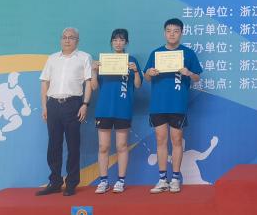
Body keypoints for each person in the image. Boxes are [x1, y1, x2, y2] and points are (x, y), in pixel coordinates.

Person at [144, 19, 203, 193]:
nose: (172, 34)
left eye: (176, 31)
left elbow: (197, 77)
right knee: (160, 140)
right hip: (158, 105)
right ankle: (162, 179)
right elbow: (147, 78)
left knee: (176, 140)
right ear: (164, 33)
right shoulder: (156, 53)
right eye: (169, 31)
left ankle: (175, 178)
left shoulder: (188, 54)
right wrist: (149, 73)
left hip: (177, 104)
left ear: (181, 33)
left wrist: (188, 73)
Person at [36, 27, 93, 197]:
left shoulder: (84, 57)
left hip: (73, 104)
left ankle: (71, 183)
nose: (67, 40)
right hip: (53, 104)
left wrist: (85, 104)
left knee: (73, 145)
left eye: (71, 37)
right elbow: (44, 82)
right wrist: (44, 106)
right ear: (61, 39)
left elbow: (88, 82)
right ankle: (55, 182)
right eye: (64, 37)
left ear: (77, 41)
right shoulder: (52, 58)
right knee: (53, 145)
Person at [91, 28, 142, 194]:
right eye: (115, 40)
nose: (118, 43)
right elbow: (94, 87)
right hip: (104, 109)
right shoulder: (103, 61)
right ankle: (103, 181)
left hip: (123, 109)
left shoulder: (131, 61)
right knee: (103, 146)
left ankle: (120, 181)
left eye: (121, 40)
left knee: (121, 145)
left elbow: (138, 85)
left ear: (126, 42)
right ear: (111, 42)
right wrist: (93, 71)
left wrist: (135, 71)